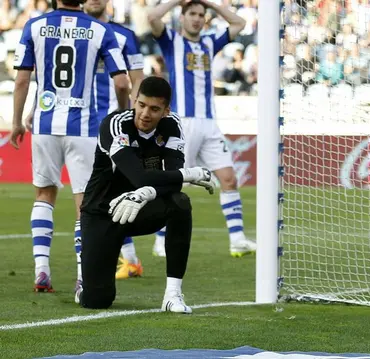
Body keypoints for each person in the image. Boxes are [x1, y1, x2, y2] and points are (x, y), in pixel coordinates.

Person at [9, 0, 129, 293]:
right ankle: (82, 276)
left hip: (46, 125)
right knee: (84, 205)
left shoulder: (34, 25)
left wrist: (16, 121)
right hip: (84, 128)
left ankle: (41, 270)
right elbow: (123, 83)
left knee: (44, 193)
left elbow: (22, 79)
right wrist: (121, 116)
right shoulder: (100, 29)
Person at [77, 76, 216, 312]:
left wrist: (146, 193)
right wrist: (189, 174)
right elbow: (139, 176)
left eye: (154, 109)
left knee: (180, 203)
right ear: (134, 100)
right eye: (141, 105)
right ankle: (84, 279)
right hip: (102, 212)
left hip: (140, 207)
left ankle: (173, 295)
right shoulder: (115, 124)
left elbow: (171, 179)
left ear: (165, 110)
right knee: (98, 300)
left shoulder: (172, 125)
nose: (145, 114)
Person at [147, 0, 257, 258]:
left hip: (210, 122)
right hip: (183, 122)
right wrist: (177, 2)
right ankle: (160, 239)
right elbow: (152, 16)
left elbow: (238, 23)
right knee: (174, 182)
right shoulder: (170, 40)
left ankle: (238, 239)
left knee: (228, 178)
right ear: (182, 17)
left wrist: (210, 3)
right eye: (192, 14)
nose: (197, 19)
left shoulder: (209, 42)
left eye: (200, 15)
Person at [84, 0, 146, 280]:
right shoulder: (74, 32)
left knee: (109, 193)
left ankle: (117, 260)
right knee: (98, 194)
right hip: (80, 124)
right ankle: (128, 260)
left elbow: (136, 80)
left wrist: (132, 119)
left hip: (113, 125)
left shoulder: (124, 36)